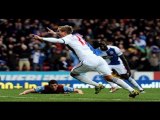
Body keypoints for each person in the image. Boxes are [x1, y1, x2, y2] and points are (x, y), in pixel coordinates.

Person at [32, 25, 139, 98]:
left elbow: (58, 40)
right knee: (110, 78)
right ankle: (132, 91)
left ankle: (97, 85)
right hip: (98, 59)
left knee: (73, 73)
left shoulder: (68, 38)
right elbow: (66, 36)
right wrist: (55, 33)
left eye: (60, 31)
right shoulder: (77, 36)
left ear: (64, 32)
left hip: (88, 60)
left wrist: (42, 38)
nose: (58, 33)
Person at [19, 80, 83, 95]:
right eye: (52, 86)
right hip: (41, 93)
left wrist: (79, 93)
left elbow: (78, 90)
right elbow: (31, 90)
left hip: (62, 92)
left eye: (55, 85)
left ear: (57, 85)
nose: (54, 87)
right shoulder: (43, 87)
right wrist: (23, 92)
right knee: (34, 92)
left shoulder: (63, 87)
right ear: (49, 86)